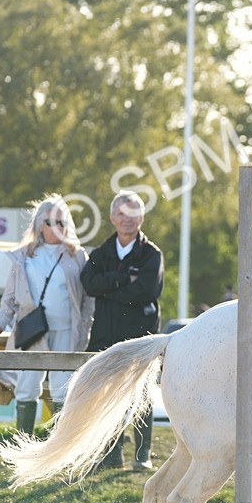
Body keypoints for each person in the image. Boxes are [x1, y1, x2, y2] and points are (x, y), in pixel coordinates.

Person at [0, 195, 93, 435]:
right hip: (32, 329)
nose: (57, 227)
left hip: (67, 330)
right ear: (40, 224)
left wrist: (84, 329)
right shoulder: (23, 255)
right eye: (51, 222)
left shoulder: (77, 255)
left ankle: (59, 442)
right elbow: (10, 297)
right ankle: (24, 440)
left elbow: (88, 299)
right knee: (27, 385)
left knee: (62, 387)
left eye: (62, 222)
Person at [81, 191, 163, 471]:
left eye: (133, 214)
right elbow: (88, 284)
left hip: (141, 335)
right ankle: (112, 453)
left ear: (142, 218)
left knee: (142, 394)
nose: (127, 219)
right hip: (105, 335)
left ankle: (142, 454)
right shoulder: (101, 253)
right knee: (107, 394)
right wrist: (122, 279)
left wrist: (109, 290)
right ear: (112, 218)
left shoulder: (152, 254)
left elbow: (148, 290)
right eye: (121, 214)